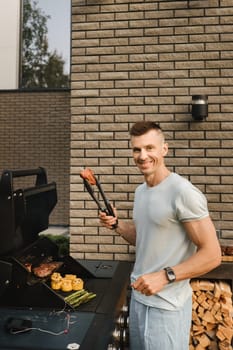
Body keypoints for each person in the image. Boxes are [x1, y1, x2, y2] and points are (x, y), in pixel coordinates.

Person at [99, 121, 221, 350]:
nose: (143, 155)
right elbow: (145, 237)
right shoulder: (141, 191)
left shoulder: (182, 192)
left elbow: (213, 254)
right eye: (137, 149)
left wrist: (165, 276)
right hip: (139, 300)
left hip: (167, 307)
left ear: (164, 149)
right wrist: (117, 225)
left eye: (149, 148)